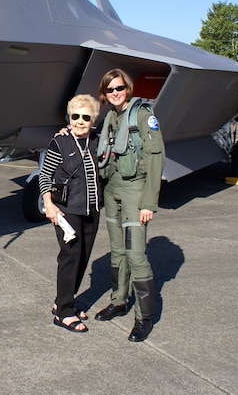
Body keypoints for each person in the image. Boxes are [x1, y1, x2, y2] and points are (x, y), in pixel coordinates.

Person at [94, 68, 165, 342]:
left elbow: (156, 157)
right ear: (105, 93)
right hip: (112, 190)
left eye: (119, 88)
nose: (115, 93)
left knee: (135, 255)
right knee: (117, 251)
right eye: (110, 89)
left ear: (128, 88)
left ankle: (144, 318)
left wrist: (149, 202)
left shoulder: (143, 116)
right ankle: (119, 301)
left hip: (135, 191)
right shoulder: (111, 117)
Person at [39, 94, 101, 333]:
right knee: (70, 256)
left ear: (93, 120)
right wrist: (49, 204)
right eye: (75, 116)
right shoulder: (60, 142)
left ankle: (64, 301)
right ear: (69, 117)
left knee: (83, 256)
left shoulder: (97, 141)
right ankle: (64, 313)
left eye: (86, 117)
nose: (80, 121)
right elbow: (45, 174)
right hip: (66, 210)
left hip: (91, 208)